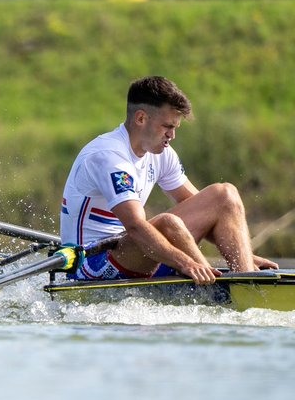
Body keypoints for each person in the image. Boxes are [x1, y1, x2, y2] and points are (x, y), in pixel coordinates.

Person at [60, 76, 276, 284]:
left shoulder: (162, 154)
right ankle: (214, 287)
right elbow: (135, 226)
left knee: (225, 195)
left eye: (175, 128)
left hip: (135, 253)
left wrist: (241, 252)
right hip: (90, 265)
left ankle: (246, 278)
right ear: (141, 118)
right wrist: (186, 263)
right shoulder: (109, 156)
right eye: (167, 127)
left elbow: (210, 210)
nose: (172, 136)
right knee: (167, 223)